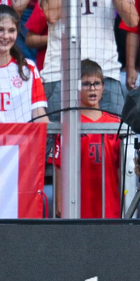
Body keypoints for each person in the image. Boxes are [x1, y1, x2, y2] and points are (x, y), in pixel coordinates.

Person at [54, 59, 122, 219]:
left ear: (103, 86)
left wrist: (126, 201)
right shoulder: (68, 124)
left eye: (96, 83)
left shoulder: (115, 123)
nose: (92, 88)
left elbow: (121, 168)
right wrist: (59, 200)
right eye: (86, 84)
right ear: (76, 87)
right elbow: (59, 166)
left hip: (109, 205)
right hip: (78, 206)